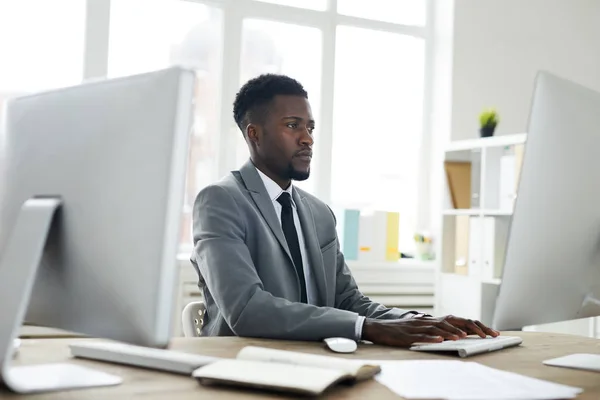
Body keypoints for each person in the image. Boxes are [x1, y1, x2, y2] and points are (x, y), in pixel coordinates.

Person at [190, 74, 499, 346]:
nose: (308, 138)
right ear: (253, 134)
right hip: (245, 371)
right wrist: (367, 329)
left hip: (319, 363)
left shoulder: (318, 212)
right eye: (292, 125)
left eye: (310, 127)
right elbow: (246, 310)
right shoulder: (219, 201)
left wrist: (423, 322)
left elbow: (348, 302)